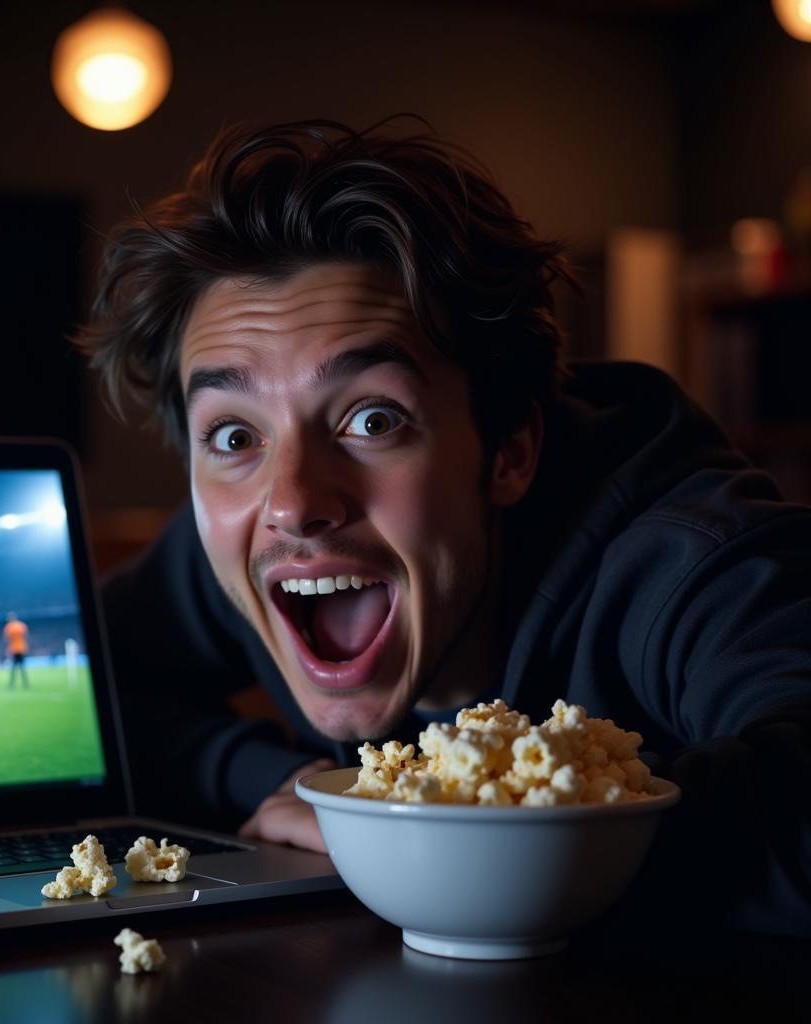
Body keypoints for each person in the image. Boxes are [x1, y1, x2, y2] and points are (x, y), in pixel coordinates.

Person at [77, 118, 811, 936]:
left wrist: (406, 829)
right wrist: (288, 781)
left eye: (373, 419)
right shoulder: (250, 543)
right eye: (235, 436)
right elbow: (91, 686)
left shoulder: (688, 557)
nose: (290, 503)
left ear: (510, 451)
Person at [3, 613, 30, 689]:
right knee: (22, 667)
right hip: (22, 648)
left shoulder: (8, 627)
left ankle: (12, 685)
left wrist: (7, 650)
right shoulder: (22, 625)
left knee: (14, 668)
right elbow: (26, 637)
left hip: (14, 649)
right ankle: (26, 684)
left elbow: (7, 639)